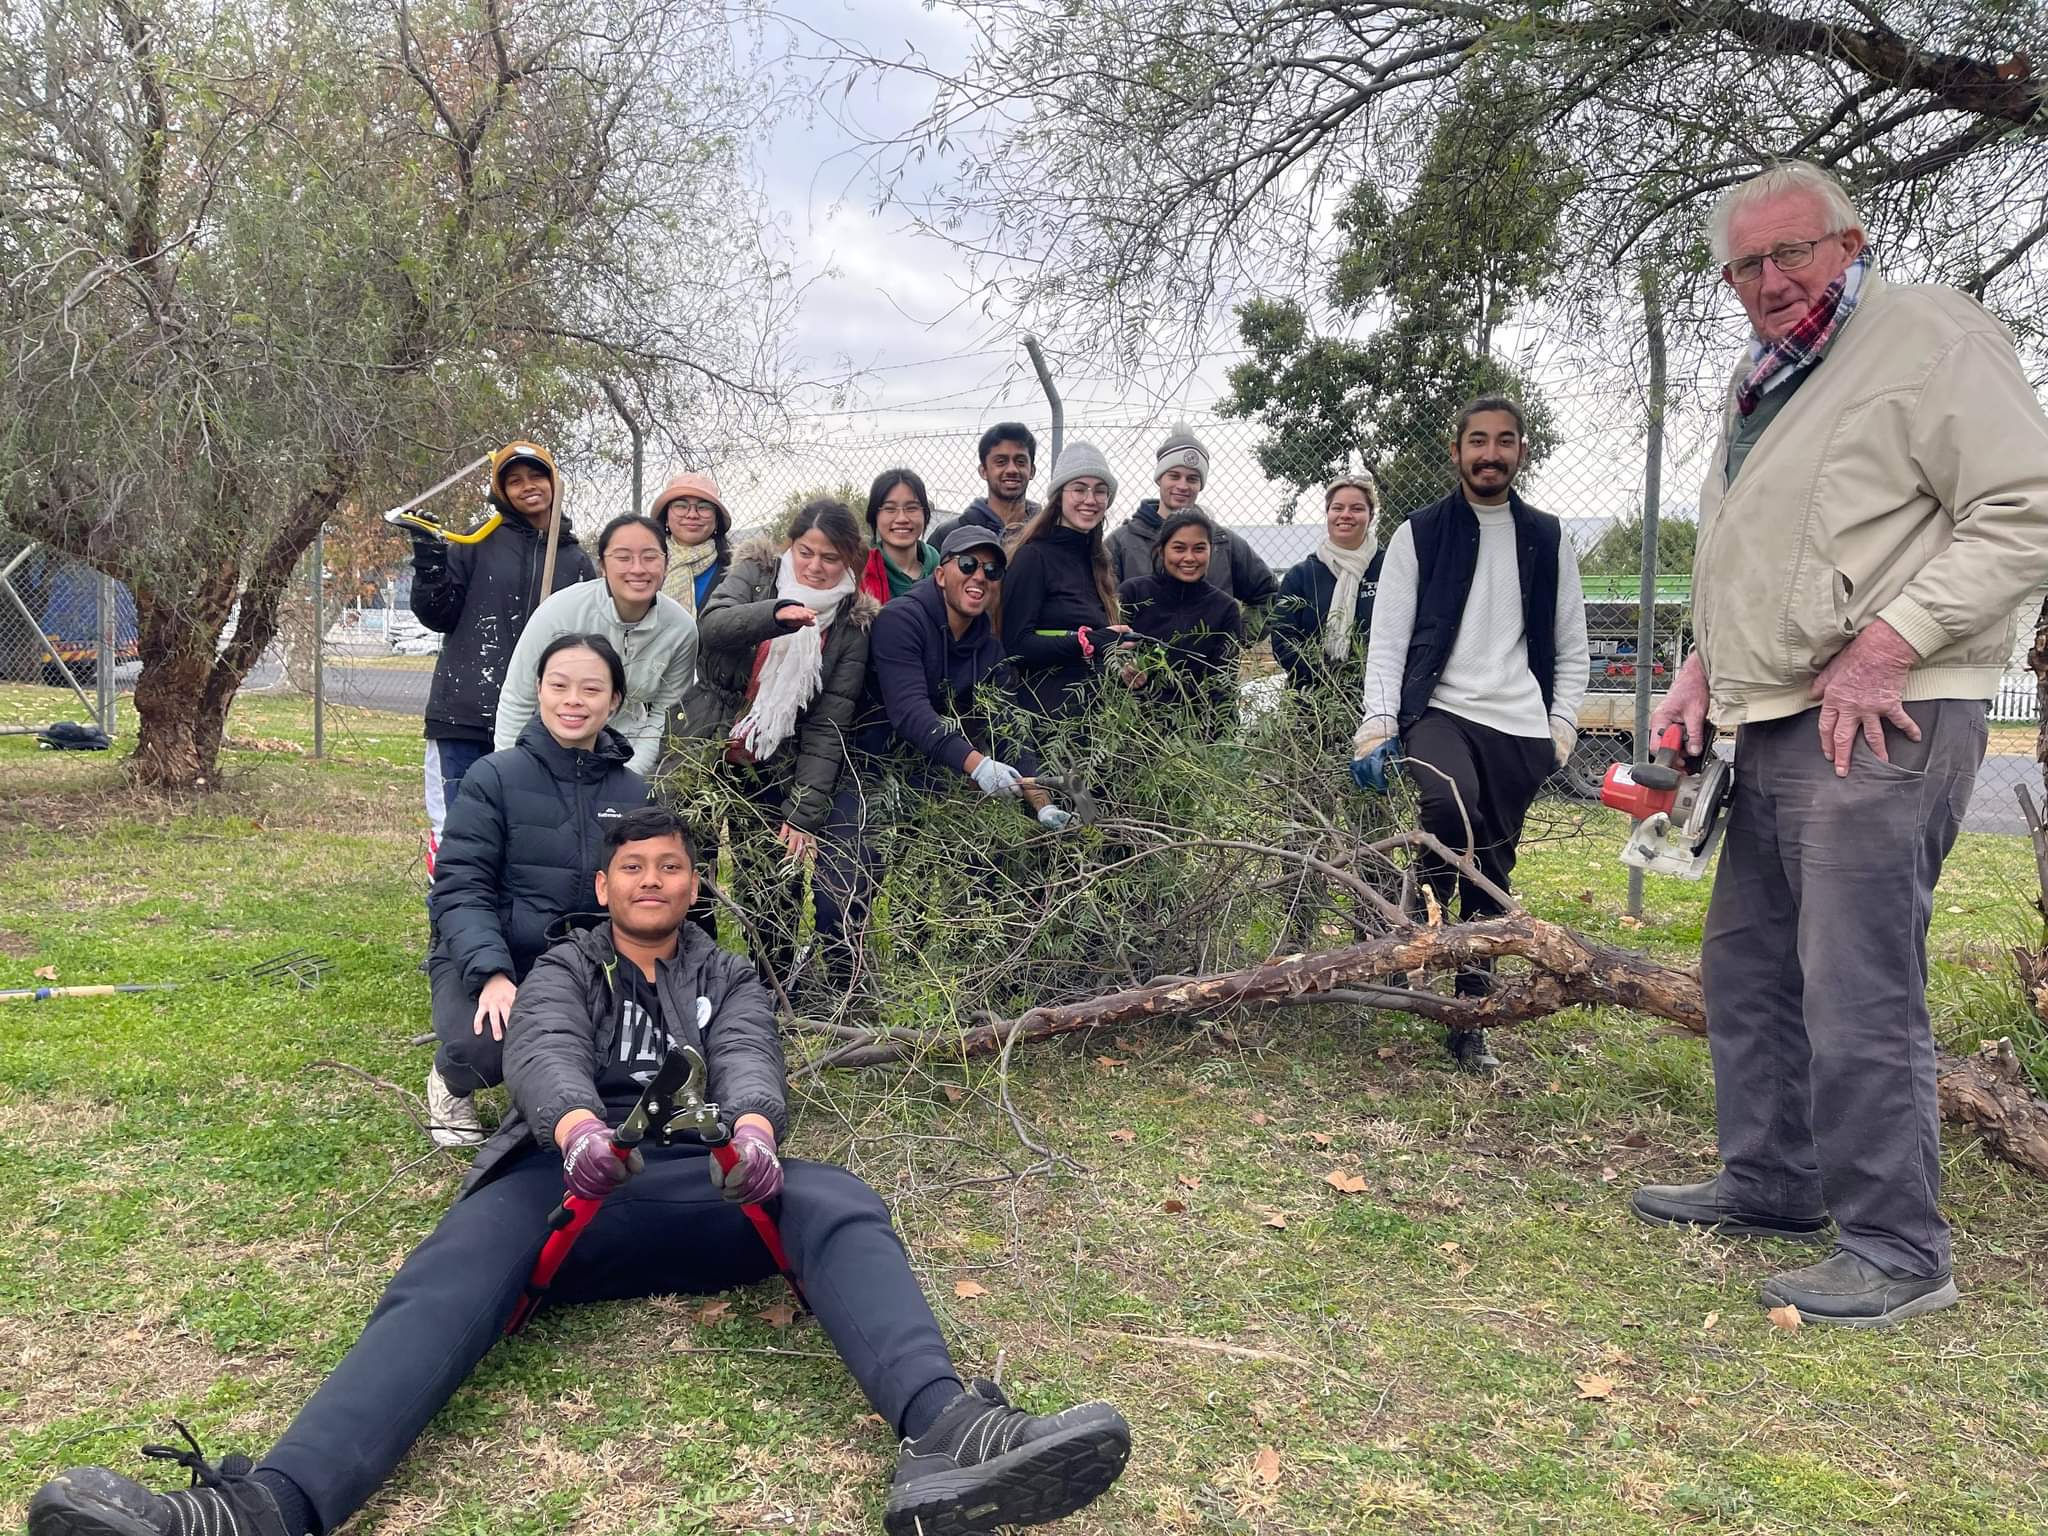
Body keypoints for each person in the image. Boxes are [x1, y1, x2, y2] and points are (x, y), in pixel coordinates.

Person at [25, 806, 1134, 1536]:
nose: (653, 880)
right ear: (605, 885)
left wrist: (755, 1135)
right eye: (633, 867)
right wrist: (572, 1134)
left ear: (693, 884)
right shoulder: (565, 966)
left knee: (839, 1201)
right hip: (566, 1191)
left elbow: (751, 1059)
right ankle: (263, 1508)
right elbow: (543, 1049)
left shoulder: (730, 975)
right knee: (446, 1273)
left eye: (671, 867)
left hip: (703, 1188)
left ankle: (949, 1435)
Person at [1630, 162, 2048, 1327]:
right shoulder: (1761, 377)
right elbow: (1751, 551)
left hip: (1880, 708)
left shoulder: (1925, 334)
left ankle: (1895, 1246)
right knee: (1748, 966)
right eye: (1744, 266)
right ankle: (1772, 1178)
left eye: (1790, 253)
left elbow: (2024, 506)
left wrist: (1887, 643)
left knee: (1855, 981)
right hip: (1764, 711)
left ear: (1848, 244)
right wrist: (1700, 664)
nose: (1768, 281)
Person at [1352, 395, 1589, 1073]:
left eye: (1504, 441)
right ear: (1455, 451)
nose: (1491, 453)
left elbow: (1571, 642)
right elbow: (1389, 639)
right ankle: (1427, 920)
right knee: (1446, 811)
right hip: (1440, 711)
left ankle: (1470, 1012)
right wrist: (1378, 723)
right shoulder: (1420, 533)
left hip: (1519, 725)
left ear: (1521, 451)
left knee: (1492, 870)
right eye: (1477, 441)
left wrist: (1561, 725)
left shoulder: (1547, 536)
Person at [424, 634, 650, 1147]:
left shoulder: (635, 794)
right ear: (539, 690)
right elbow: (460, 888)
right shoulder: (493, 777)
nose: (574, 701)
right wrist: (491, 973)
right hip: (500, 954)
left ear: (614, 700)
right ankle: (451, 1080)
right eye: (559, 686)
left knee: (621, 1054)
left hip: (587, 965)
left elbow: (648, 896)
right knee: (488, 1045)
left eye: (591, 689)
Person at [817, 525, 1067, 987]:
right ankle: (841, 989)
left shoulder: (988, 648)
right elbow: (910, 711)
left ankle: (945, 981)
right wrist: (978, 764)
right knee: (844, 884)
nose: (979, 576)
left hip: (934, 773)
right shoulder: (901, 620)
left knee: (978, 861)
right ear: (940, 572)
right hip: (871, 767)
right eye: (968, 564)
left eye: (991, 570)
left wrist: (1041, 800)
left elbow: (1008, 728)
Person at [669, 499, 879, 984]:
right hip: (706, 736)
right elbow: (713, 627)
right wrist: (775, 615)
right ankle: (693, 977)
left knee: (770, 879)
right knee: (689, 865)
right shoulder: (758, 571)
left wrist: (803, 811)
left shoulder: (851, 622)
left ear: (849, 559)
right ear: (791, 545)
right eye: (806, 552)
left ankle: (774, 987)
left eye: (830, 558)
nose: (816, 566)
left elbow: (828, 722)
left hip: (774, 756)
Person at [409, 440, 595, 847]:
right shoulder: (475, 544)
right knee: (460, 832)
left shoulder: (576, 561)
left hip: (541, 723)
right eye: (514, 481)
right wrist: (429, 565)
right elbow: (437, 615)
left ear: (554, 481)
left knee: (526, 838)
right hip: (465, 717)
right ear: (501, 492)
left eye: (536, 476)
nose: (528, 486)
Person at [492, 513, 697, 777]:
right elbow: (518, 698)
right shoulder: (560, 612)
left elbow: (664, 717)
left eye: (650, 557)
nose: (637, 569)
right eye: (623, 557)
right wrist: (511, 773)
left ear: (666, 564)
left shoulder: (680, 629)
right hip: (551, 752)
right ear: (603, 566)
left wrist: (628, 777)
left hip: (629, 754)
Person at [999, 441, 1131, 721]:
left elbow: (1095, 649)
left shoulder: (1098, 561)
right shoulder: (1033, 557)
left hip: (1094, 720)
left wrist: (1121, 663)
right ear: (1059, 496)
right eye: (1079, 489)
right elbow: (1016, 646)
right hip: (1045, 719)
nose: (1090, 499)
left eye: (1100, 490)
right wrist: (1088, 642)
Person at [1105, 424, 1277, 618]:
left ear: (1200, 485)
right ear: (1160, 478)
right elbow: (1101, 603)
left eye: (1192, 479)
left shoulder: (1223, 542)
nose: (1182, 486)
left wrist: (1235, 631)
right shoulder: (1122, 542)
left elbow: (1270, 597)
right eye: (1174, 476)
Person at [1115, 508, 1244, 730]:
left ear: (1211, 550)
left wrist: (1225, 738)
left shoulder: (1224, 608)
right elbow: (1107, 656)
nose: (1189, 558)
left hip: (1196, 730)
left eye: (1199, 548)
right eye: (1179, 548)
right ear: (1161, 550)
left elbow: (1223, 684)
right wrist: (1125, 669)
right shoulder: (1133, 594)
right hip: (1135, 728)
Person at [1270, 473, 1385, 692]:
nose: (1346, 515)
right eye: (1337, 508)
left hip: (1376, 691)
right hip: (1313, 694)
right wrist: (1325, 678)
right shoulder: (1301, 575)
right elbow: (1283, 638)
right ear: (1328, 513)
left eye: (1357, 508)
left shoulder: (1389, 569)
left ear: (1370, 516)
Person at [931, 422, 1040, 547]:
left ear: (1032, 471)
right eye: (1001, 462)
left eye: (1020, 462)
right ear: (983, 471)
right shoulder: (948, 535)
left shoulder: (1048, 534)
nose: (1012, 469)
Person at [654, 469, 732, 618]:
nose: (692, 515)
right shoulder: (645, 565)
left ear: (717, 520)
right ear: (666, 518)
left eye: (703, 507)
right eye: (681, 506)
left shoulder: (735, 570)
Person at [858, 467, 940, 602]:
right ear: (874, 516)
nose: (902, 519)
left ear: (925, 514)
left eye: (912, 508)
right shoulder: (860, 573)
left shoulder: (943, 571)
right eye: (890, 509)